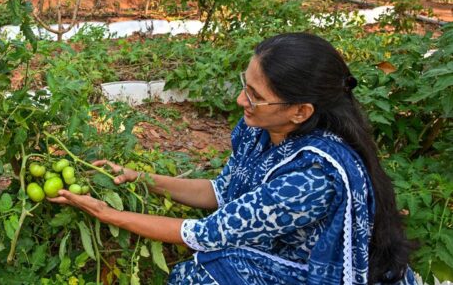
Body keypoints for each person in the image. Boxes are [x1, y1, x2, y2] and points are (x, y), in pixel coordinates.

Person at [49, 33, 417, 284]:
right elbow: (223, 192)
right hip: (281, 249)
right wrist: (140, 177)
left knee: (205, 273)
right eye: (246, 85)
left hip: (316, 272)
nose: (243, 100)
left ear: (300, 111)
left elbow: (206, 234)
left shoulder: (312, 176)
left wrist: (105, 212)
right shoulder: (263, 131)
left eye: (256, 95)